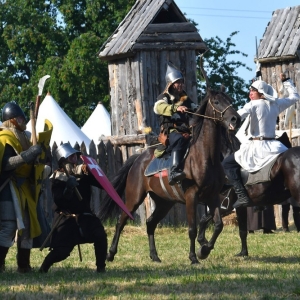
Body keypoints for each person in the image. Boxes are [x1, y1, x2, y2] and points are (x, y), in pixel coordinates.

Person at [222, 74, 300, 209]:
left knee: (227, 164)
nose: (250, 93)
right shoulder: (276, 104)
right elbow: (295, 97)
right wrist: (287, 82)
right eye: (250, 91)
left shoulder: (253, 104)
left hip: (257, 147)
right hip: (276, 147)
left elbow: (237, 115)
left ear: (261, 93)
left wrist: (231, 123)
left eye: (253, 91)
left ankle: (242, 195)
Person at [39, 143, 107, 273]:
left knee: (99, 234)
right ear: (63, 160)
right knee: (62, 252)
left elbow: (101, 183)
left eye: (75, 155)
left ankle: (101, 268)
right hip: (66, 219)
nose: (74, 158)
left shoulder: (83, 173)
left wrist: (91, 172)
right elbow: (59, 201)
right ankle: (44, 267)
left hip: (85, 217)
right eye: (71, 157)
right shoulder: (57, 178)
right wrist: (68, 188)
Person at [0, 102, 42, 273]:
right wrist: (27, 156)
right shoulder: (4, 138)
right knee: (9, 226)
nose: (23, 120)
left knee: (28, 225)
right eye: (19, 118)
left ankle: (23, 265)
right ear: (12, 120)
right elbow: (5, 164)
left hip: (24, 187)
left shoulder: (24, 136)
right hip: (8, 186)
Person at [153, 62, 198, 185]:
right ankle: (174, 172)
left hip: (186, 130)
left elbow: (196, 108)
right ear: (171, 84)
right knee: (179, 139)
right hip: (171, 131)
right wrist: (175, 108)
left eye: (182, 82)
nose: (181, 85)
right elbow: (158, 108)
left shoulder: (185, 98)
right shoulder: (164, 97)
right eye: (178, 82)